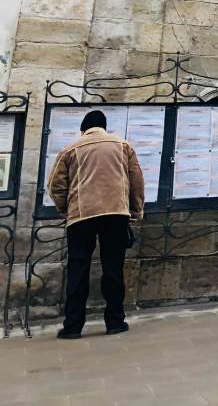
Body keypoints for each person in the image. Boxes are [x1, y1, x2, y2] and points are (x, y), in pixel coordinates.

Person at [48, 110, 144, 339]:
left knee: (78, 269)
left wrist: (66, 209)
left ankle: (73, 326)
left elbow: (56, 186)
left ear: (83, 129)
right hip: (115, 214)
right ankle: (115, 321)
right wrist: (135, 210)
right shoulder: (123, 146)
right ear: (104, 127)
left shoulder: (70, 150)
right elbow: (136, 181)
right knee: (113, 268)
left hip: (81, 216)